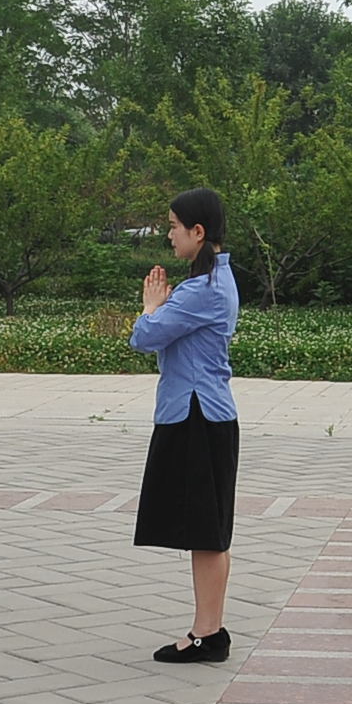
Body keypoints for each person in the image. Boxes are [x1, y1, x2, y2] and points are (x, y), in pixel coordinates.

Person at [132, 187, 241, 664]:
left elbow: (145, 336)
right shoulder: (214, 280)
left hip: (197, 416)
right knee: (206, 528)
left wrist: (151, 305)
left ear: (199, 232)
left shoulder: (203, 290)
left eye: (174, 227)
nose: (169, 235)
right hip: (202, 413)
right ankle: (207, 628)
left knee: (206, 529)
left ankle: (208, 632)